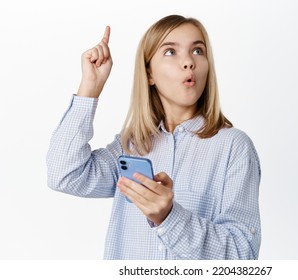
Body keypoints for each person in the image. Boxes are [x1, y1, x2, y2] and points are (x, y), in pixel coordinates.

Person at [47, 15, 261, 260]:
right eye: (171, 52)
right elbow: (63, 174)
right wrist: (90, 88)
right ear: (149, 73)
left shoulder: (234, 147)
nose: (189, 62)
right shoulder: (130, 146)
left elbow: (242, 254)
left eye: (198, 50)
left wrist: (168, 217)